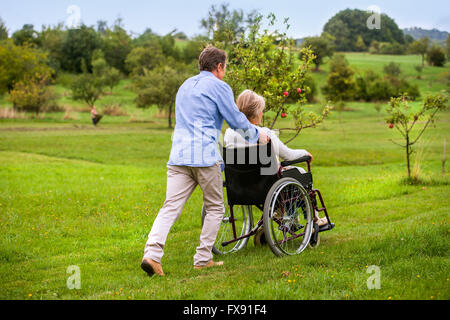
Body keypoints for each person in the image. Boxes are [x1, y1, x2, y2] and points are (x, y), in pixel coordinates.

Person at [141, 46, 270, 277]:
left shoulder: (184, 86)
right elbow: (236, 120)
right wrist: (257, 134)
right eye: (225, 67)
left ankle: (152, 255)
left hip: (178, 156)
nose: (224, 72)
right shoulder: (220, 87)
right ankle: (202, 259)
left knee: (170, 207)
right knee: (214, 207)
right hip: (204, 157)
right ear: (219, 66)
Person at [224, 89, 328, 227]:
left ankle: (283, 212)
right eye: (261, 110)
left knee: (284, 174)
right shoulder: (265, 134)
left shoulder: (229, 134)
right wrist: (305, 153)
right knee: (300, 173)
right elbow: (289, 155)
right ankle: (314, 218)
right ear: (257, 113)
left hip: (241, 185)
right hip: (268, 184)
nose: (262, 113)